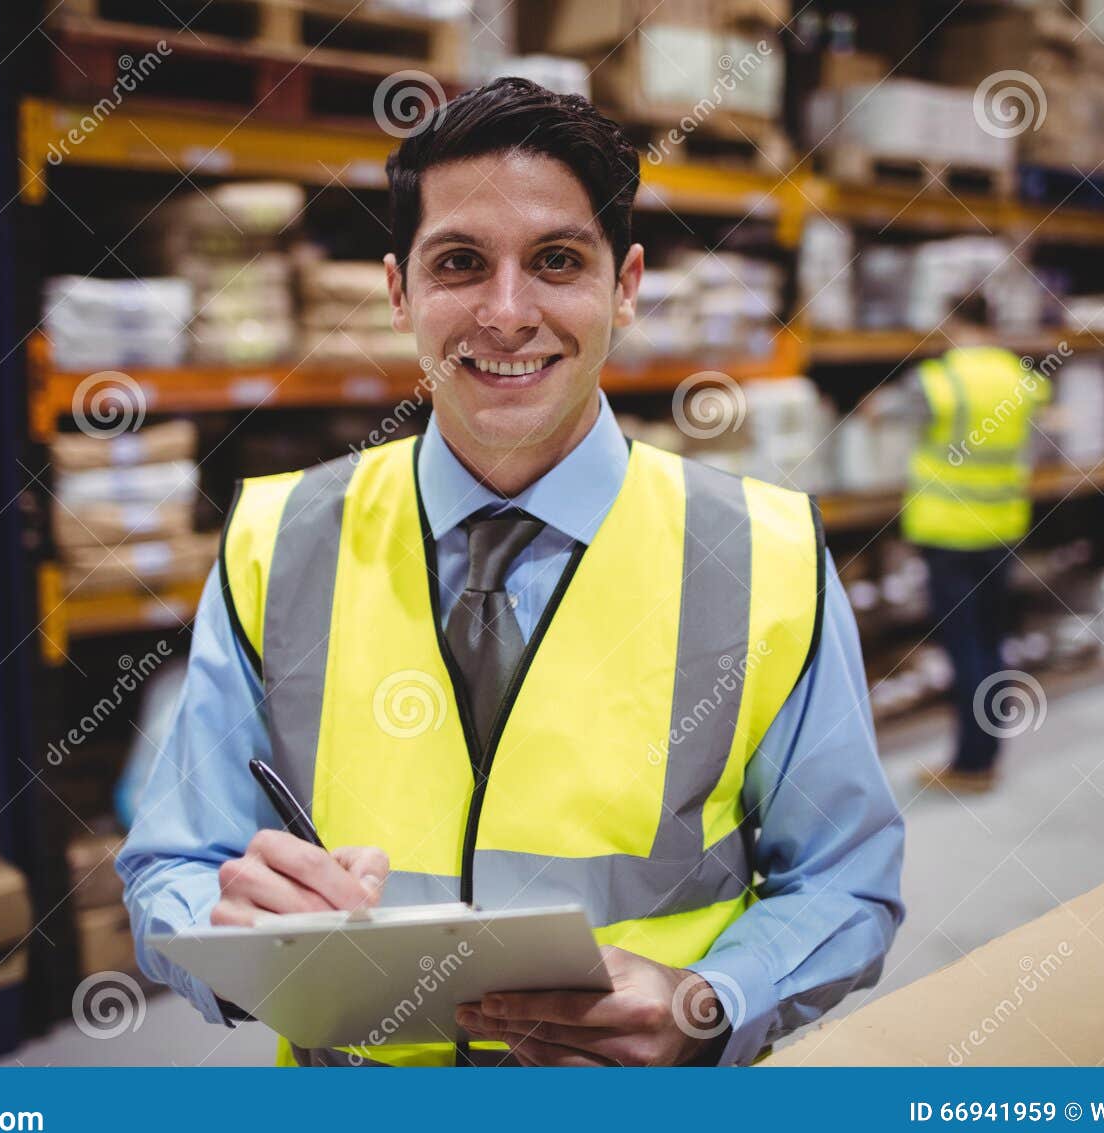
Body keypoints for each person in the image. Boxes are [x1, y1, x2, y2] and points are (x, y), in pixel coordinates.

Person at [117, 77, 904, 1067]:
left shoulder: (762, 553)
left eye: (557, 261)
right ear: (399, 292)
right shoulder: (278, 540)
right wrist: (231, 928)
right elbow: (171, 864)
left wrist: (709, 1000)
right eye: (459, 263)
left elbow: (845, 882)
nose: (505, 312)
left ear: (625, 287)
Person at [897, 295, 1050, 793]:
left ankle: (971, 763)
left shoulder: (939, 379)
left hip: (950, 531)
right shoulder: (1021, 378)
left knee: (965, 648)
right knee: (990, 641)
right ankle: (986, 752)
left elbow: (900, 415)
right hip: (1001, 526)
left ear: (953, 323)